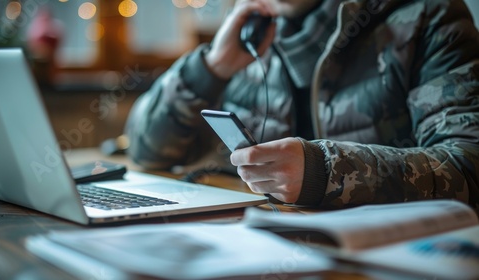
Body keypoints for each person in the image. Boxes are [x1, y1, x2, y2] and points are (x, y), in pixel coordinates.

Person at [125, 0, 479, 212]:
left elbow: (469, 166)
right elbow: (146, 151)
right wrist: (210, 68)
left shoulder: (428, 15)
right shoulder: (249, 32)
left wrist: (325, 172)